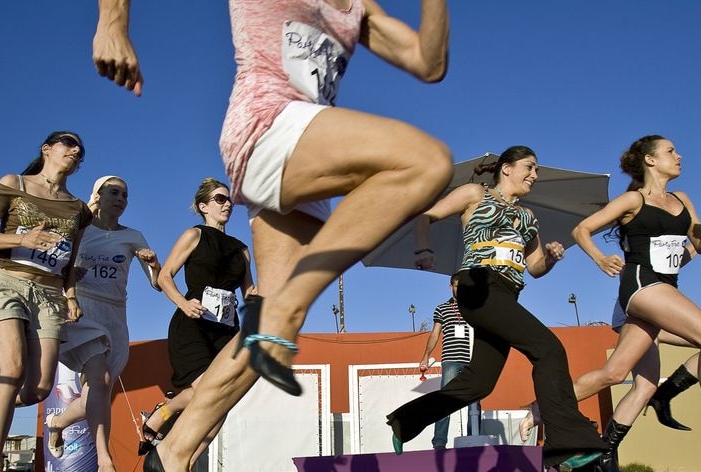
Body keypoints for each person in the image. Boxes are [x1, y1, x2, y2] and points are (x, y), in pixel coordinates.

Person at [92, 2, 454, 471]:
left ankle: (173, 453)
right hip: (266, 126)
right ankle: (286, 304)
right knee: (424, 161)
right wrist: (112, 25)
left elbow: (429, 64)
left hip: (303, 158)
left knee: (262, 339)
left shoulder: (361, 7)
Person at [386, 146, 606, 470]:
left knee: (480, 382)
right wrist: (423, 247)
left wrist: (551, 258)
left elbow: (534, 267)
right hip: (477, 283)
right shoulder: (476, 194)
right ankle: (568, 443)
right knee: (548, 349)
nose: (534, 175)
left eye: (536, 171)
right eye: (529, 168)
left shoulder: (529, 218)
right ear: (506, 168)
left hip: (506, 293)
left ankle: (406, 420)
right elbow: (426, 216)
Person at [569, 134, 701, 464]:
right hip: (642, 288)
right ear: (650, 160)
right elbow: (581, 230)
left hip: (665, 292)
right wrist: (601, 258)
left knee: (622, 373)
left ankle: (548, 411)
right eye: (671, 151)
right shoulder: (632, 201)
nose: (679, 156)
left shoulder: (682, 199)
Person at [519, 236, 701, 471]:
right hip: (638, 308)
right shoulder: (644, 232)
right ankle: (541, 408)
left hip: (656, 311)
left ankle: (612, 444)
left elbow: (680, 258)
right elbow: (635, 267)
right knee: (614, 373)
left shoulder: (670, 238)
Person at [0, 131, 92, 472]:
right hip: (6, 282)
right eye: (68, 143)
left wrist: (71, 294)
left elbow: (71, 256)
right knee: (13, 368)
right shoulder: (14, 183)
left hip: (49, 294)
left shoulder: (78, 208)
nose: (75, 149)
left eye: (79, 148)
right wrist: (23, 237)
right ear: (47, 149)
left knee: (38, 388)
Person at [43, 176, 162, 472]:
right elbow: (53, 261)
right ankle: (104, 458)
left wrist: (154, 264)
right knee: (101, 380)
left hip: (116, 314)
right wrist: (71, 279)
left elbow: (156, 284)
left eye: (125, 194)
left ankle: (57, 423)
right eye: (114, 192)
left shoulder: (134, 236)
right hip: (81, 309)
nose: (121, 198)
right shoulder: (80, 230)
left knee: (97, 393)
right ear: (97, 195)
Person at [137, 178, 256, 465]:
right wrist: (183, 302)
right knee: (208, 393)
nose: (227, 204)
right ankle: (165, 425)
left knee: (222, 403)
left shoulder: (241, 249)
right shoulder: (195, 235)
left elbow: (249, 291)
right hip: (193, 324)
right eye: (219, 199)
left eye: (228, 200)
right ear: (204, 206)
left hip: (227, 331)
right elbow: (165, 276)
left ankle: (186, 460)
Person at [419, 274, 481, 449]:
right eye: (455, 285)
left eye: (462, 286)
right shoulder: (442, 309)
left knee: (474, 402)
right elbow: (435, 334)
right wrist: (425, 355)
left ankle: (474, 439)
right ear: (450, 287)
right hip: (451, 360)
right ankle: (439, 443)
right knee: (445, 400)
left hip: (471, 360)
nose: (458, 288)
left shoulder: (474, 308)